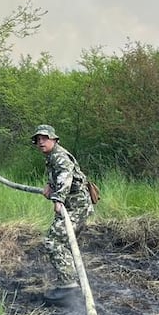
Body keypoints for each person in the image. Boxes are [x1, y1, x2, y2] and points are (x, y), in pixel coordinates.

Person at [31, 124, 93, 302]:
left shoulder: (59, 157)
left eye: (45, 138)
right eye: (38, 139)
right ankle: (71, 280)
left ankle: (69, 288)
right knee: (64, 242)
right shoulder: (51, 157)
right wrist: (50, 186)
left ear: (54, 140)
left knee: (54, 241)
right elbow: (56, 176)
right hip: (73, 205)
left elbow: (66, 176)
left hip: (76, 207)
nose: (41, 142)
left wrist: (58, 198)